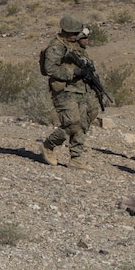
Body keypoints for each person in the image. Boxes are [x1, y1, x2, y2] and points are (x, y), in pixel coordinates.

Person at [40, 14, 95, 170]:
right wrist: (73, 73)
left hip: (80, 90)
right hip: (64, 90)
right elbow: (50, 69)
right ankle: (49, 145)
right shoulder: (56, 47)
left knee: (83, 123)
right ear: (65, 31)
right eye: (73, 33)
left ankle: (76, 158)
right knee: (72, 123)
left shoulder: (73, 45)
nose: (76, 36)